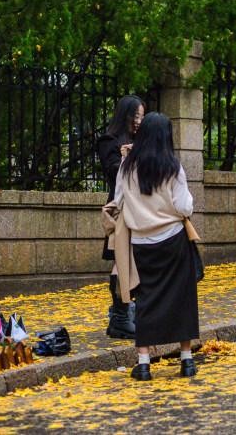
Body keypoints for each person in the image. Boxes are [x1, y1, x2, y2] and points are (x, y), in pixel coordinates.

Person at [115, 112, 199, 380]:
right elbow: (184, 206)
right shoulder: (172, 166)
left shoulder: (126, 167)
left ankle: (143, 364)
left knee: (145, 300)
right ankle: (186, 361)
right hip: (173, 239)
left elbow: (118, 202)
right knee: (182, 297)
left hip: (140, 243)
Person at [96, 95, 145, 339]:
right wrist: (129, 156)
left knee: (137, 261)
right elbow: (113, 171)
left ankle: (128, 311)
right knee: (120, 261)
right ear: (125, 115)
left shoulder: (141, 141)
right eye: (136, 116)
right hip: (119, 210)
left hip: (141, 209)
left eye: (142, 117)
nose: (139, 121)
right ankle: (120, 317)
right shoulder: (109, 141)